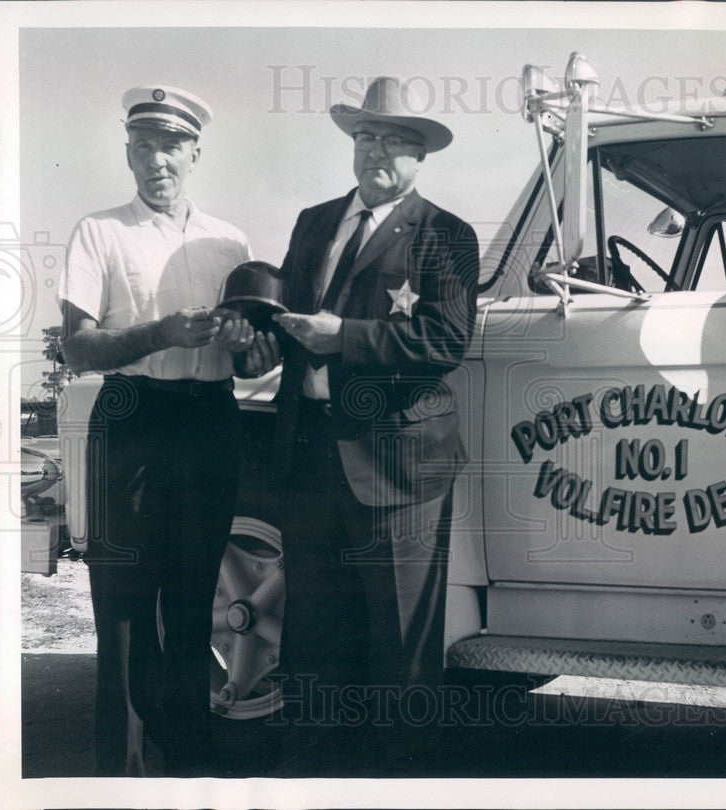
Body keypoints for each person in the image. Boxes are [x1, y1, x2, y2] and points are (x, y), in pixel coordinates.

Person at [247, 76, 479, 772]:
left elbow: (444, 342)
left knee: (401, 650)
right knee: (313, 644)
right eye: (368, 136)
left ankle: (401, 783)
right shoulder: (314, 221)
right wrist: (262, 341)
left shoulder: (447, 235)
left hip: (399, 468)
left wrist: (339, 335)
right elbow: (293, 327)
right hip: (311, 456)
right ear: (353, 144)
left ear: (421, 158)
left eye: (398, 141)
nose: (379, 150)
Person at [58, 85, 267, 776]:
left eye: (171, 146)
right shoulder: (99, 231)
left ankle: (189, 762)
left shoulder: (229, 240)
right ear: (127, 151)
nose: (157, 160)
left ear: (195, 153)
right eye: (143, 146)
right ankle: (117, 774)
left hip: (210, 421)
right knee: (121, 612)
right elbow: (79, 347)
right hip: (132, 418)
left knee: (189, 604)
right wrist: (159, 333)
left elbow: (251, 360)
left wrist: (247, 344)